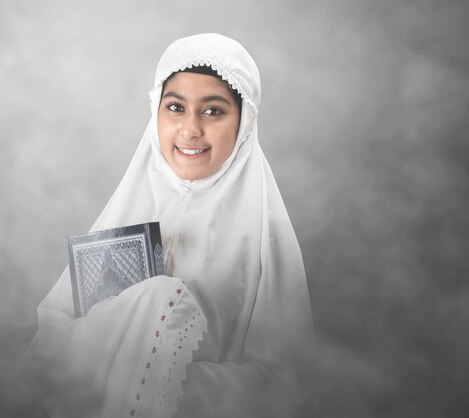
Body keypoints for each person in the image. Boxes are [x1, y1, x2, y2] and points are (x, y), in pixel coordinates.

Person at [28, 33, 314, 418]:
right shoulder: (127, 207)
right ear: (156, 113)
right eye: (176, 107)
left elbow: (287, 381)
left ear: (244, 120)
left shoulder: (265, 234)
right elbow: (51, 331)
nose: (191, 129)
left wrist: (166, 386)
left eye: (213, 111)